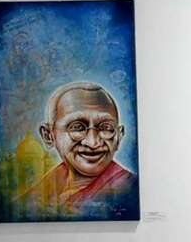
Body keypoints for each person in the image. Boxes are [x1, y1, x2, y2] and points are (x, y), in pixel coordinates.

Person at [21, 82, 137, 215]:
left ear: (118, 136)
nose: (93, 143)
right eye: (77, 127)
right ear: (48, 135)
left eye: (106, 127)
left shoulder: (129, 190)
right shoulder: (44, 189)